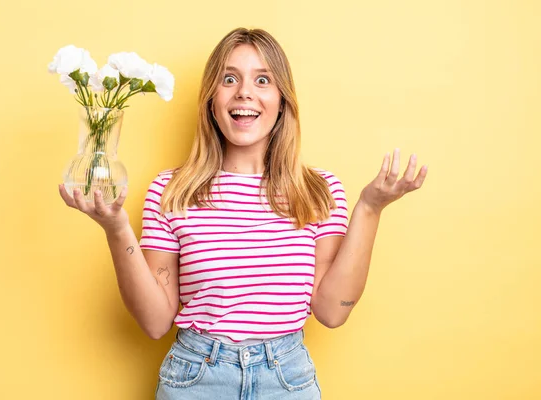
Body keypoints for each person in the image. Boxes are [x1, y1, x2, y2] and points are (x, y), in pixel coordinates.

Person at [59, 27, 427, 400]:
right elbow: (155, 323)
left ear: (282, 100)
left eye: (262, 79)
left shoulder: (317, 191)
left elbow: (333, 311)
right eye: (229, 79)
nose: (244, 92)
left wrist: (369, 208)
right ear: (211, 100)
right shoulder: (173, 190)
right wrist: (117, 229)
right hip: (195, 379)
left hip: (287, 380)